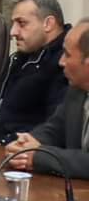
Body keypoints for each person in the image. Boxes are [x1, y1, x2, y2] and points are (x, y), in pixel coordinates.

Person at [0, 0, 69, 145]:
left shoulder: (65, 63)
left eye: (21, 23)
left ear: (48, 24)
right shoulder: (20, 57)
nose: (12, 32)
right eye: (13, 24)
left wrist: (12, 144)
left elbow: (54, 129)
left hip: (15, 153)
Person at [5, 17, 89, 179]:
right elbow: (54, 129)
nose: (61, 62)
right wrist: (26, 145)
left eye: (67, 55)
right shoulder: (76, 90)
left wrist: (39, 156)